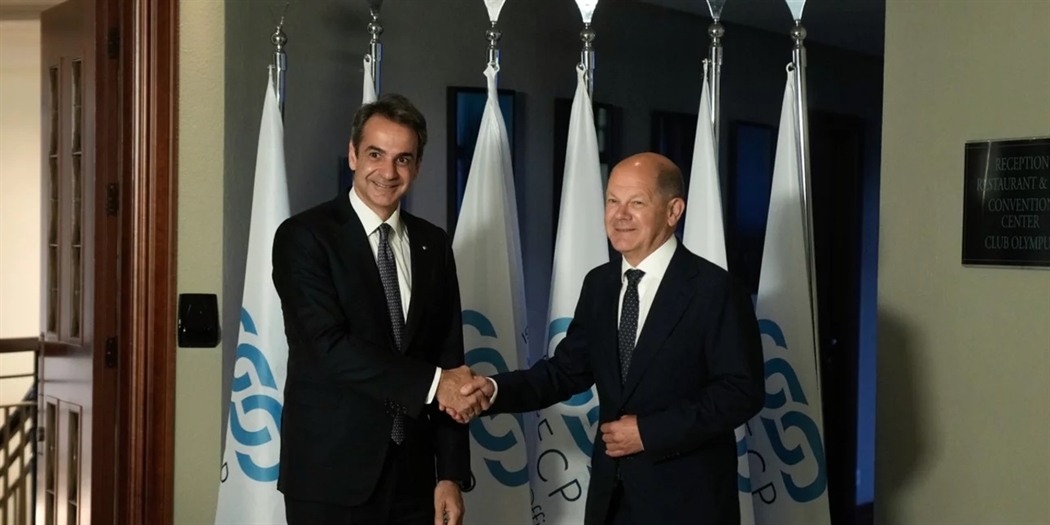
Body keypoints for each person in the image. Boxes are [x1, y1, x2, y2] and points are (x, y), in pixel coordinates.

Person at [454, 152, 766, 525]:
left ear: (673, 211)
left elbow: (741, 391)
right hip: (610, 502)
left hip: (688, 505)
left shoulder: (716, 290)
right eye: (613, 201)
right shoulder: (599, 284)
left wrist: (649, 432)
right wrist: (493, 390)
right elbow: (565, 372)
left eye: (637, 203)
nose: (620, 215)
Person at [272, 93, 488, 525]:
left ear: (417, 166)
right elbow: (328, 347)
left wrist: (450, 474)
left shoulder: (433, 244)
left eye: (403, 159)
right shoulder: (304, 237)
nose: (388, 172)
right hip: (330, 480)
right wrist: (434, 385)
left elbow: (449, 357)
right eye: (375, 154)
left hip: (414, 480)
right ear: (353, 155)